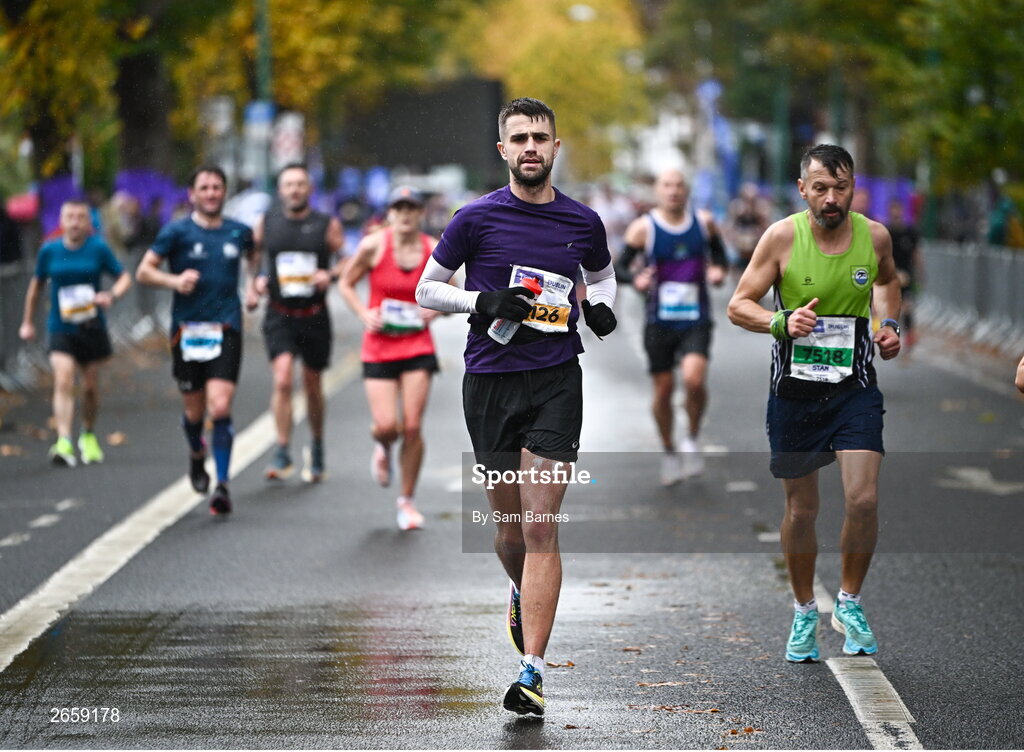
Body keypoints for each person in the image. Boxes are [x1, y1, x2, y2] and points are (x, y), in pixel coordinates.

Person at [416, 97, 618, 716]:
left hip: (557, 379)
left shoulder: (583, 222)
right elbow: (427, 289)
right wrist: (480, 302)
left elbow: (603, 277)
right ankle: (517, 585)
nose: (532, 147)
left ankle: (530, 670)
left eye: (541, 138)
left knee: (539, 525)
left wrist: (600, 307)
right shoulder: (474, 219)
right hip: (491, 385)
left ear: (556, 149)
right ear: (503, 150)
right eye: (520, 138)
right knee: (509, 533)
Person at [727, 144, 901, 663]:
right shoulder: (781, 237)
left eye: (840, 187)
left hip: (855, 389)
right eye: (821, 188)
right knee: (802, 509)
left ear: (853, 187)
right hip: (795, 394)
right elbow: (739, 305)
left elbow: (889, 282)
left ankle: (848, 601)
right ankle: (805, 609)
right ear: (802, 188)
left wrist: (888, 325)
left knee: (864, 499)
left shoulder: (874, 237)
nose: (831, 198)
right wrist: (780, 321)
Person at [136, 166, 255, 516]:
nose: (211, 193)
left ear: (225, 192)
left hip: (226, 328)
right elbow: (144, 270)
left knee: (220, 407)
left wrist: (253, 287)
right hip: (186, 331)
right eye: (204, 187)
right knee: (194, 411)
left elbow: (254, 259)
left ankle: (222, 484)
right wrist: (174, 282)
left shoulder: (239, 232)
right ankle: (196, 453)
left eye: (217, 187)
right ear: (192, 194)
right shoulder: (176, 232)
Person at [616, 169, 728, 485]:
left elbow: (719, 256)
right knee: (663, 390)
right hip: (659, 321)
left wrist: (718, 271)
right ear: (658, 191)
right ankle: (668, 450)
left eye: (679, 185)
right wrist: (635, 279)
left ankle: (691, 436)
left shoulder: (704, 223)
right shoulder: (644, 228)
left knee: (694, 381)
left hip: (695, 318)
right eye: (667, 185)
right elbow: (620, 267)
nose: (673, 191)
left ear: (687, 190)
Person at [338, 186, 441, 530]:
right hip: (379, 346)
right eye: (399, 208)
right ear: (390, 213)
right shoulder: (373, 245)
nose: (406, 214)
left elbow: (452, 289)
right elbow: (346, 283)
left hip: (417, 346)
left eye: (412, 208)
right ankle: (382, 447)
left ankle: (406, 502)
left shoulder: (432, 249)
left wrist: (435, 311)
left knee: (411, 427)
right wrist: (363, 314)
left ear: (420, 213)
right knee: (387, 427)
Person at [245, 163, 344, 483]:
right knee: (283, 379)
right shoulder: (267, 222)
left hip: (314, 314)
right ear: (280, 190)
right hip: (279, 313)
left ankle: (316, 446)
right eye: (289, 185)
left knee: (312, 385)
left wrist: (328, 274)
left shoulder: (326, 224)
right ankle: (283, 448)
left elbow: (348, 261)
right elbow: (254, 255)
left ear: (309, 189)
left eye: (300, 184)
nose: (295, 190)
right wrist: (255, 281)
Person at [18, 200, 131, 466]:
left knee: (90, 386)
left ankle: (88, 434)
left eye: (81, 217)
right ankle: (64, 441)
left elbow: (124, 277)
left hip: (91, 326)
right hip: (60, 326)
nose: (75, 222)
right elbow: (35, 288)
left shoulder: (98, 248)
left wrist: (111, 295)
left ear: (88, 222)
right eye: (70, 216)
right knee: (64, 379)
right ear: (62, 220)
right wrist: (27, 322)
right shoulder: (50, 250)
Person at [885, 199, 923, 351]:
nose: (896, 214)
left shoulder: (910, 232)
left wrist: (920, 272)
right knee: (891, 307)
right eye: (893, 211)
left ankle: (909, 335)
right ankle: (891, 335)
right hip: (890, 275)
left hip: (907, 275)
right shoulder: (885, 232)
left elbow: (916, 253)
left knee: (907, 306)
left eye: (898, 211)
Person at [725, 181, 771, 272]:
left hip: (755, 250)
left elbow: (766, 227)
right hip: (740, 250)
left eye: (752, 199)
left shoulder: (761, 208)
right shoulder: (737, 208)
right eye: (747, 199)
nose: (749, 202)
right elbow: (730, 227)